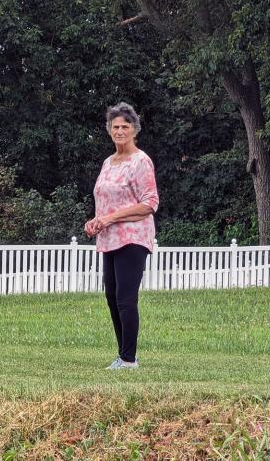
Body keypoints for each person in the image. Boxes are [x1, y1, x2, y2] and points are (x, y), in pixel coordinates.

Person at [84, 102, 159, 370]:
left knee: (126, 298)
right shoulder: (108, 162)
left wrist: (111, 218)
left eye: (124, 127)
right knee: (113, 297)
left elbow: (149, 203)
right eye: (115, 126)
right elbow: (105, 200)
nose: (119, 131)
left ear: (134, 130)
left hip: (133, 237)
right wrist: (96, 221)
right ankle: (122, 355)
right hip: (109, 239)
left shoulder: (141, 161)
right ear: (109, 130)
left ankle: (129, 359)